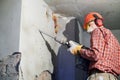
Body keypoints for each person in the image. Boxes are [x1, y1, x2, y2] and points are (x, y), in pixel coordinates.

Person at [69, 12, 120, 80]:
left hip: (100, 76)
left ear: (95, 22)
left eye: (88, 25)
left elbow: (95, 55)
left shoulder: (97, 31)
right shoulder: (114, 40)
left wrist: (79, 50)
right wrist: (83, 49)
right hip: (113, 77)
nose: (88, 30)